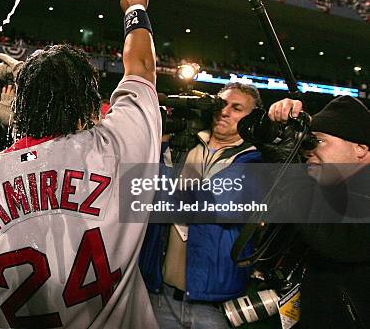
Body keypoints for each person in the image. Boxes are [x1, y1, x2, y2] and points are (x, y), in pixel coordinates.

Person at [0, 0, 161, 328]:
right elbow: (140, 67)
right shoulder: (117, 148)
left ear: (19, 104)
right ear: (88, 104)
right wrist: (135, 8)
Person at [139, 82, 263, 329]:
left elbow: (216, 203)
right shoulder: (183, 146)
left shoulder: (254, 159)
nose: (224, 112)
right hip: (159, 295)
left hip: (213, 307)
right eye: (221, 104)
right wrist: (161, 141)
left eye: (236, 108)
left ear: (252, 120)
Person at [268, 96, 370, 328]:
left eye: (318, 141)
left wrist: (289, 172)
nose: (307, 150)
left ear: (360, 148)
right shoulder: (327, 189)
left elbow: (337, 241)